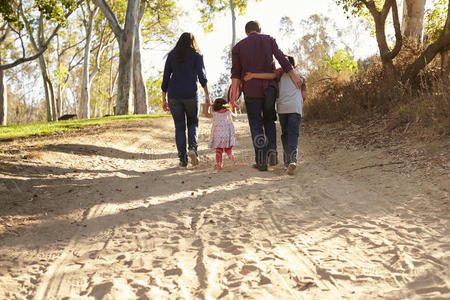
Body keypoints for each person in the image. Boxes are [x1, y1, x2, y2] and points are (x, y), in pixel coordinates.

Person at [230, 21, 303, 171]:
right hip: (269, 89)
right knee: (269, 120)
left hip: (251, 90)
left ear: (246, 32)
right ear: (260, 30)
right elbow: (282, 58)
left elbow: (235, 74)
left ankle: (261, 160)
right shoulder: (269, 39)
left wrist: (232, 98)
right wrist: (293, 75)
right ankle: (272, 150)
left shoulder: (238, 47)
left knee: (256, 124)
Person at [244, 56, 307, 175]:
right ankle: (292, 161)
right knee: (293, 134)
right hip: (295, 109)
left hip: (283, 109)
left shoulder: (280, 72)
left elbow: (269, 76)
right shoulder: (300, 76)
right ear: (295, 66)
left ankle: (286, 162)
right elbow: (304, 95)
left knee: (285, 134)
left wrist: (252, 75)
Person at [161, 32, 211, 168]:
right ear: (192, 41)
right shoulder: (197, 54)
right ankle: (192, 149)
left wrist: (164, 99)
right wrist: (207, 95)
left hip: (174, 94)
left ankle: (183, 160)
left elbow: (166, 77)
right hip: (190, 94)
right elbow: (202, 76)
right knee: (193, 123)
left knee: (179, 126)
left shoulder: (172, 55)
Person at [208, 98, 236, 170]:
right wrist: (233, 108)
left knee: (219, 150)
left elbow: (207, 114)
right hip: (226, 135)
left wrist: (209, 106)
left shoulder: (214, 114)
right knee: (228, 149)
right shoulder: (228, 112)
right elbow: (235, 116)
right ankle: (232, 159)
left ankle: (219, 165)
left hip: (218, 136)